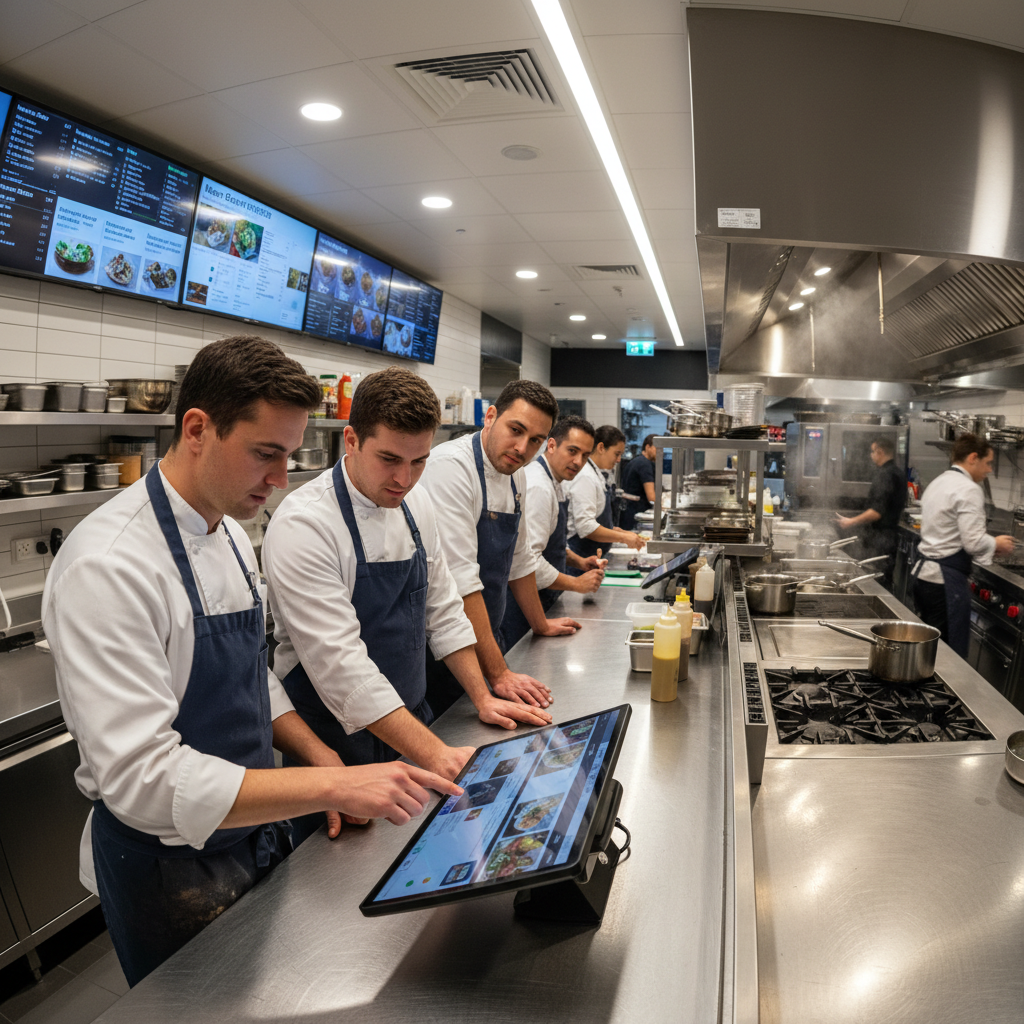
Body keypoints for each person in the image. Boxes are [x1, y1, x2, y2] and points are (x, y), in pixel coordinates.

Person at [41, 337, 460, 987]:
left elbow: (250, 674)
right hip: (167, 864)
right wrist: (332, 785)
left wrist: (319, 756)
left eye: (289, 456)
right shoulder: (109, 566)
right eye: (266, 454)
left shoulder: (232, 533)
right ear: (197, 430)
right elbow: (145, 782)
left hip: (252, 823)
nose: (281, 479)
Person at [262, 368, 552, 843]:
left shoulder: (416, 505)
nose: (404, 479)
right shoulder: (305, 525)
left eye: (418, 462)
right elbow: (342, 669)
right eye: (389, 459)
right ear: (351, 440)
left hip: (412, 721)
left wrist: (482, 696)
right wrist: (435, 753)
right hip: (336, 746)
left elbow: (444, 609)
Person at [420, 380, 581, 717]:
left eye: (535, 440)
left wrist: (540, 624)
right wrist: (498, 673)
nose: (522, 448)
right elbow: (461, 582)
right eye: (516, 430)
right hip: (441, 650)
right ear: (491, 416)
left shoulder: (514, 473)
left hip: (486, 637)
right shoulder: (451, 468)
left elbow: (520, 560)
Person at [498, 415, 608, 650]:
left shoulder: (554, 481)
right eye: (572, 451)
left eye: (585, 456)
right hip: (523, 607)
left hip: (543, 598)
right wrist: (576, 583)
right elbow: (529, 560)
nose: (578, 462)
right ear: (551, 445)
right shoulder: (539, 486)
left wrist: (579, 561)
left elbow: (550, 540)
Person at [912, 433, 1014, 657]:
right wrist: (996, 542)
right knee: (947, 656)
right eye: (988, 463)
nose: (989, 470)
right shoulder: (968, 489)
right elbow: (973, 542)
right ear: (973, 458)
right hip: (944, 583)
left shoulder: (939, 481)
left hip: (924, 577)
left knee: (928, 650)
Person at [564, 424, 645, 564]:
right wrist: (623, 538)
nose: (619, 460)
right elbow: (585, 527)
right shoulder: (585, 476)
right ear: (601, 448)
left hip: (592, 555)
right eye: (616, 454)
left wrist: (620, 532)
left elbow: (595, 520)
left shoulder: (596, 474)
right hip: (579, 557)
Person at [835, 437, 907, 589]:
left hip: (881, 539)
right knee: (882, 578)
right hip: (889, 537)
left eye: (872, 451)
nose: (871, 455)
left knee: (876, 581)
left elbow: (876, 512)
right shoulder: (897, 473)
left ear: (880, 452)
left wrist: (850, 521)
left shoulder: (885, 475)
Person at [620, 434, 658, 532]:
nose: (660, 453)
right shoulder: (645, 465)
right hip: (636, 516)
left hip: (627, 512)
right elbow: (651, 497)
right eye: (657, 449)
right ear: (648, 447)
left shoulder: (637, 460)